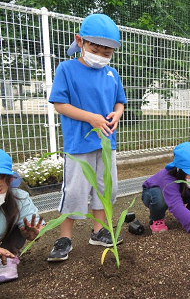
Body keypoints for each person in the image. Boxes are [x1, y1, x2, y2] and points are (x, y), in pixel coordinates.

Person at [47, 14, 127, 262]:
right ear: (79, 41)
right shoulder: (67, 69)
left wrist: (117, 113)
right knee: (75, 191)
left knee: (106, 188)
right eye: (96, 49)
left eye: (107, 52)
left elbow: (120, 102)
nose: (102, 55)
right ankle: (65, 238)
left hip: (106, 143)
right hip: (78, 143)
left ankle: (98, 231)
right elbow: (60, 104)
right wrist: (91, 118)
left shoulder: (112, 73)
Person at [0, 149, 45, 283]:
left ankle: (7, 260)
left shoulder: (19, 199)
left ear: (9, 182)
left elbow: (36, 227)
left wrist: (34, 233)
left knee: (23, 226)